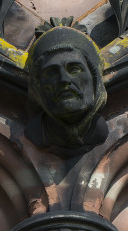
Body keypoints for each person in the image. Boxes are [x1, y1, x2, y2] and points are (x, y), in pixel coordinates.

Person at [25, 24, 108, 153]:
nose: (64, 80)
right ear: (37, 87)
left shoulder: (100, 131)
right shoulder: (37, 132)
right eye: (51, 73)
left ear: (95, 79)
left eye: (74, 69)